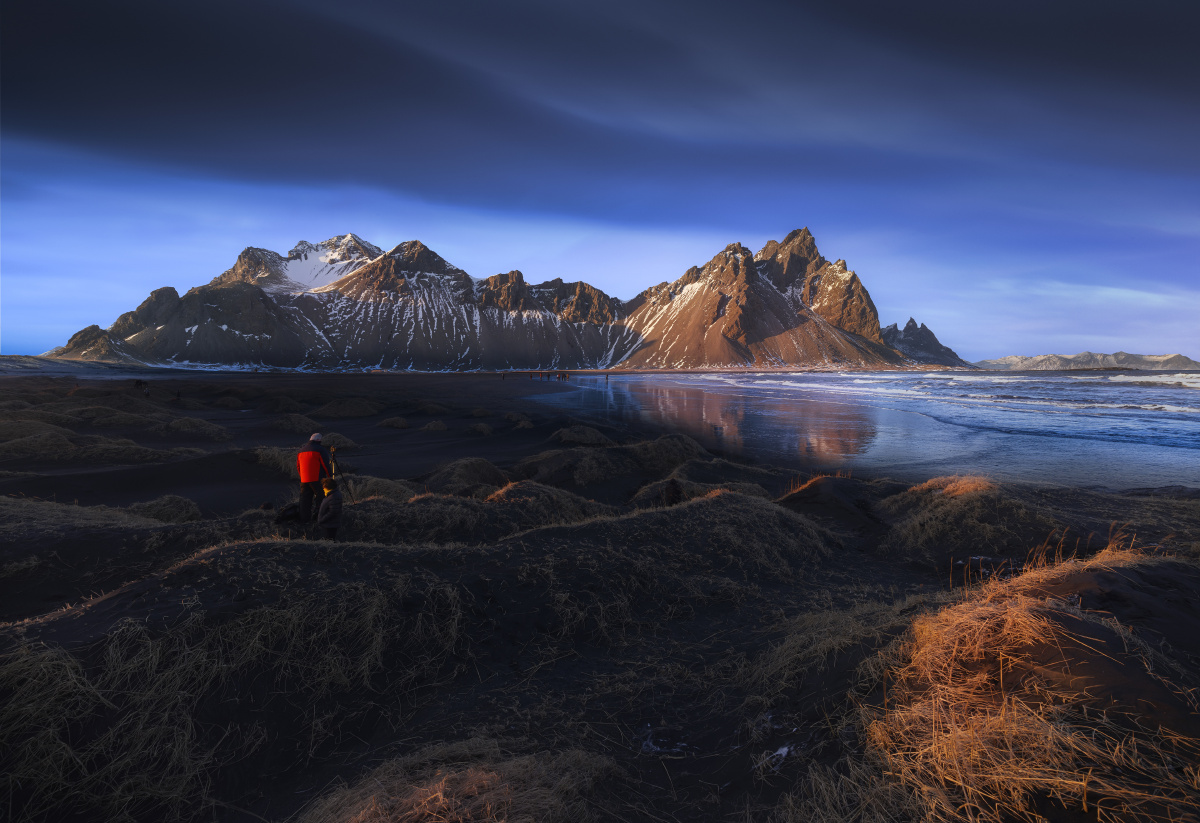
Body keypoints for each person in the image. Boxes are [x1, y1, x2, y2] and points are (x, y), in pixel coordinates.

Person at [297, 433, 332, 523]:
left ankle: (304, 520)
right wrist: (329, 476)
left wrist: (302, 477)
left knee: (305, 500)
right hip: (317, 478)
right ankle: (318, 517)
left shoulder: (301, 450)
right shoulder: (320, 449)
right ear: (319, 440)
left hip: (304, 480)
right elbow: (325, 464)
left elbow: (298, 466)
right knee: (320, 497)